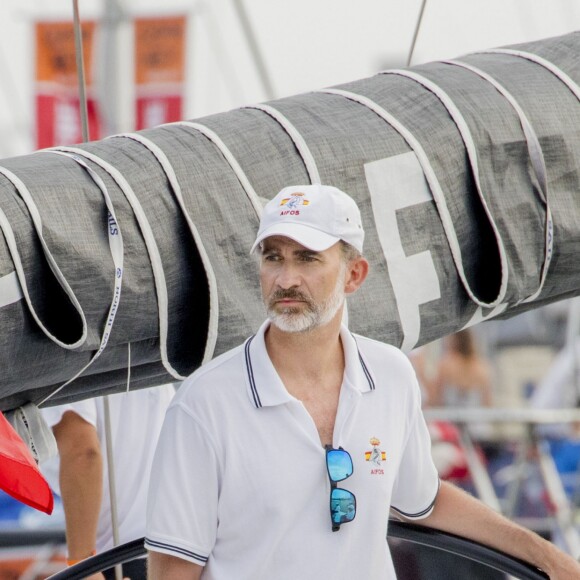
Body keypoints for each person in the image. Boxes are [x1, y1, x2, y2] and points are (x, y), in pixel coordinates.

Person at [145, 184, 580, 579]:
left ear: (354, 275)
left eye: (307, 257)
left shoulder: (391, 374)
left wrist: (547, 556)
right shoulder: (204, 403)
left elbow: (423, 500)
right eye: (273, 256)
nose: (285, 278)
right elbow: (172, 572)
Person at [41, 384, 175, 580]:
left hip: (118, 560)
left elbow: (82, 454)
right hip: (172, 551)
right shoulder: (151, 358)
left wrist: (83, 566)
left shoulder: (61, 359)